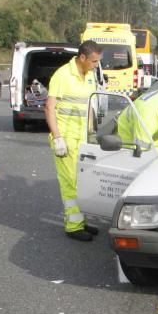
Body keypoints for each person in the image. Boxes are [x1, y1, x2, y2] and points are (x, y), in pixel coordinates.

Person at [45, 40, 102, 241]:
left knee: (84, 182)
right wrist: (57, 137)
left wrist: (92, 134)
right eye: (94, 61)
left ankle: (81, 220)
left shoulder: (89, 76)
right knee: (71, 183)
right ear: (83, 57)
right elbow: (49, 108)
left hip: (82, 138)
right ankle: (74, 226)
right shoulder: (62, 75)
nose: (96, 65)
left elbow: (89, 107)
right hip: (66, 139)